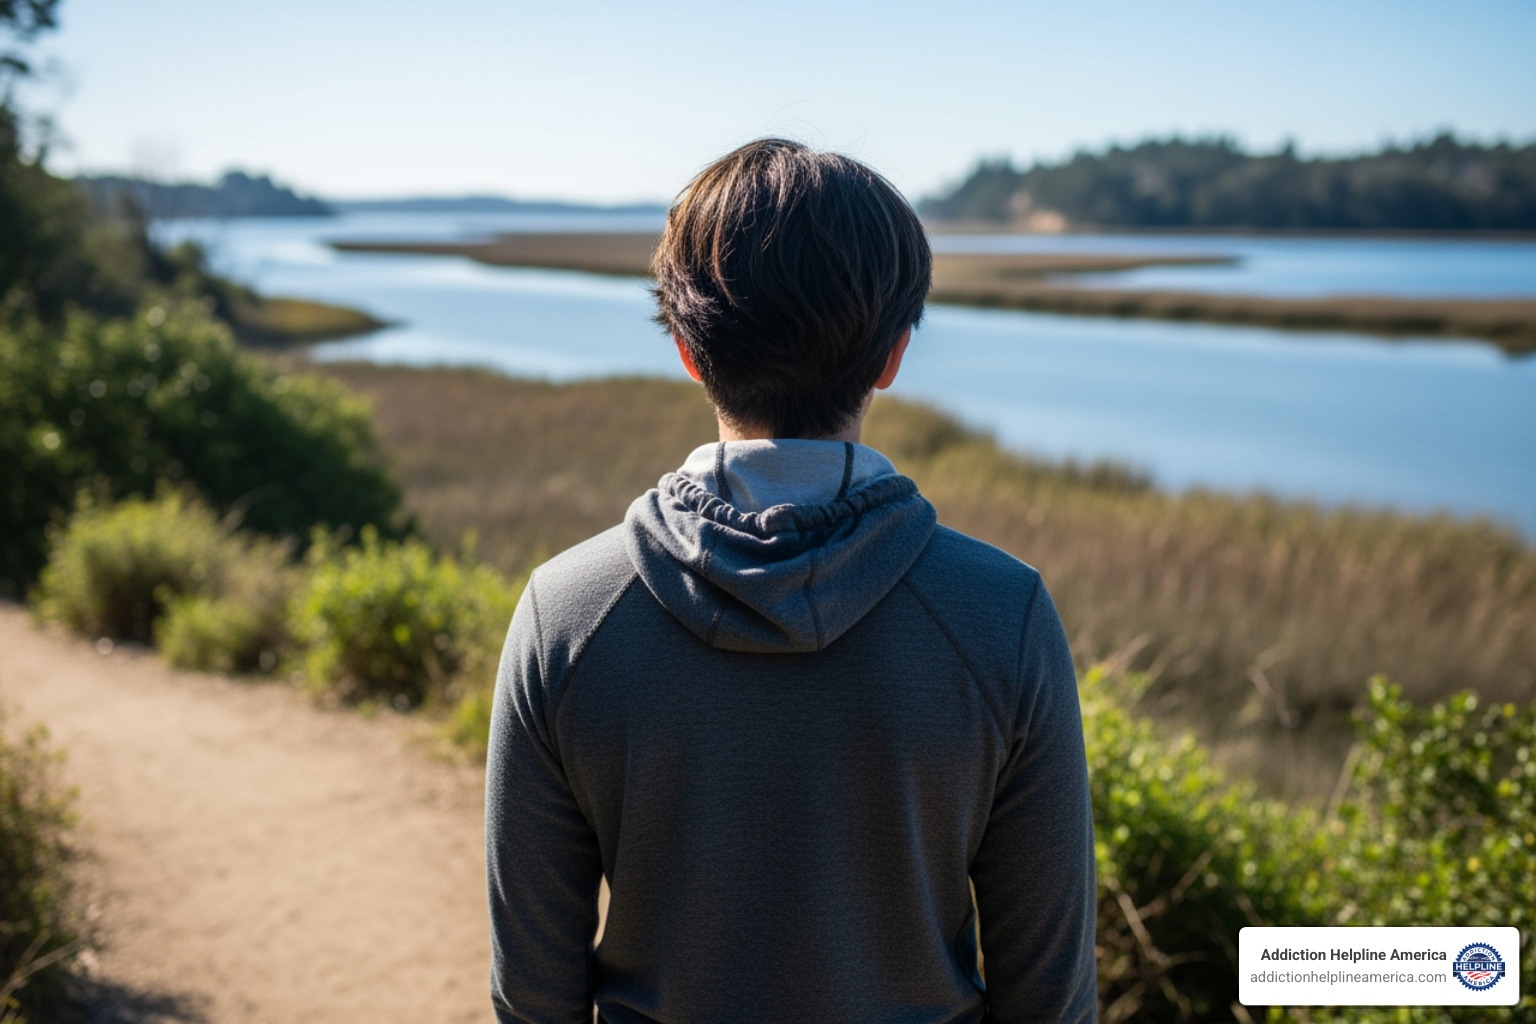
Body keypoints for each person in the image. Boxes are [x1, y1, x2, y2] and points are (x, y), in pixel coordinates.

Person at [485, 138, 1098, 1024]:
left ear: (690, 353)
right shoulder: (1001, 614)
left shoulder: (566, 612)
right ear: (893, 355)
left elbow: (532, 997)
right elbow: (1050, 1000)